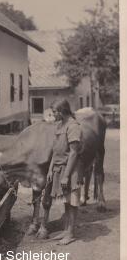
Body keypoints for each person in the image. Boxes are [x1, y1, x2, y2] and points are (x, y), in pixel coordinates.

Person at [47, 99, 83, 245]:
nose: (52, 115)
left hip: (71, 169)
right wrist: (50, 169)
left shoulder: (73, 126)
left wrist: (66, 176)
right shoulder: (59, 125)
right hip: (58, 168)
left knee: (72, 201)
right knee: (65, 200)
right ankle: (66, 230)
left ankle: (71, 233)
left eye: (54, 112)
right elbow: (55, 150)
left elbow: (74, 153)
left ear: (62, 112)